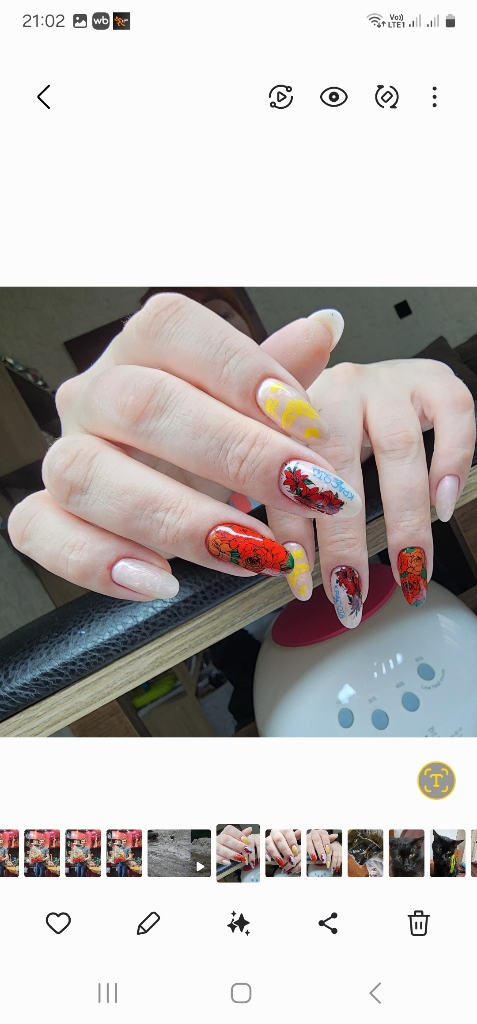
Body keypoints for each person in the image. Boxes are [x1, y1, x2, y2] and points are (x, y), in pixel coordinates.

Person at [8, 294, 475, 627]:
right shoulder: (160, 476)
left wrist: (418, 399)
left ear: (255, 328)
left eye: (220, 316)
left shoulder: (340, 405)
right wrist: (112, 511)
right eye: (175, 355)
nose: (208, 340)